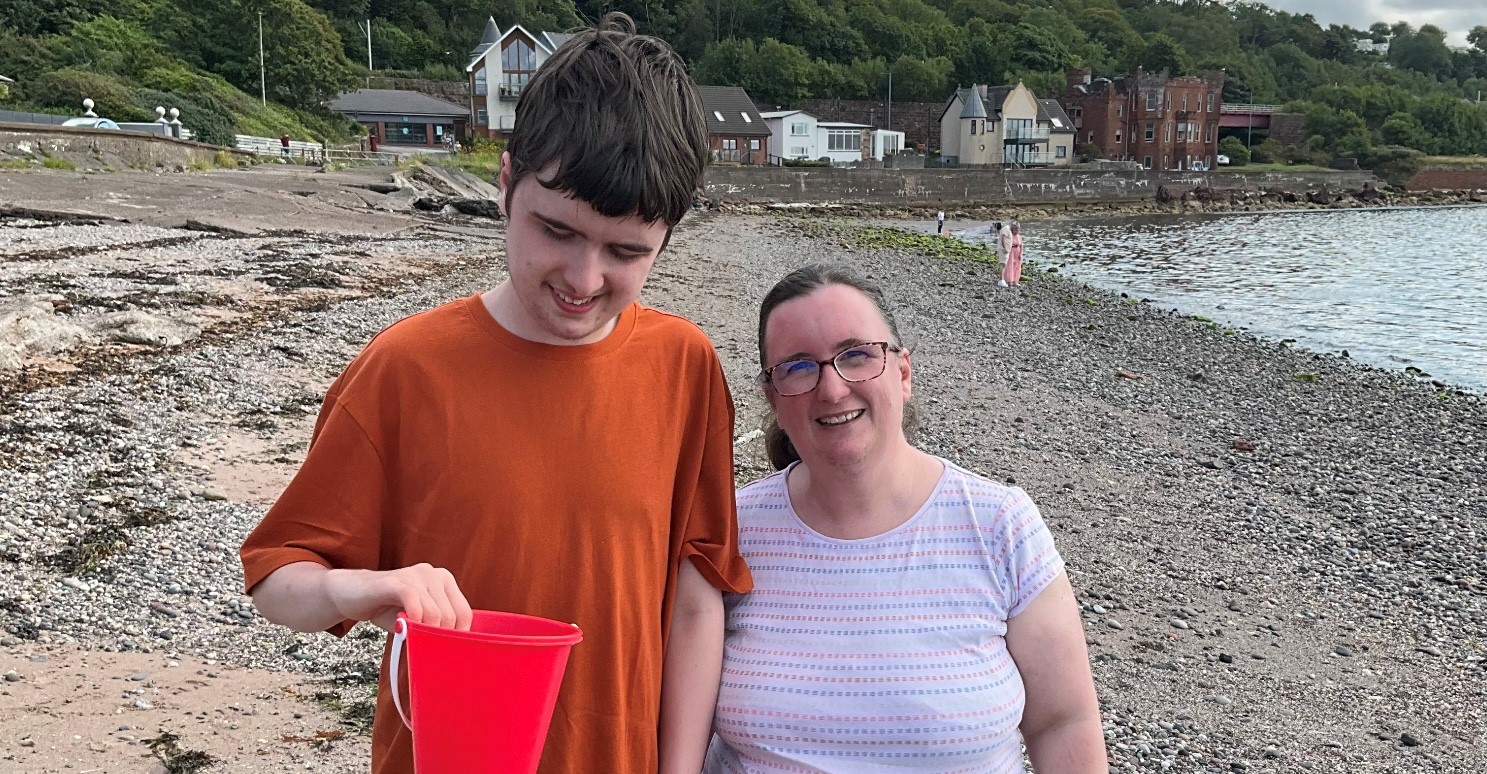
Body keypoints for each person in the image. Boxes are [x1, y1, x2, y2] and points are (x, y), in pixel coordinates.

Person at [240, 13, 751, 774]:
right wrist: (364, 587)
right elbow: (278, 579)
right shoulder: (405, 368)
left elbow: (693, 598)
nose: (583, 280)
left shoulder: (684, 366)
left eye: (625, 252)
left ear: (668, 235)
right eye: (556, 231)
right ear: (506, 181)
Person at [706, 264, 1104, 773]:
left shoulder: (999, 524)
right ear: (772, 398)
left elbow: (1063, 722)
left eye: (856, 355)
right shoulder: (731, 529)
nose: (831, 389)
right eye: (798, 367)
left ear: (903, 372)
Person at [1005, 220, 1025, 287]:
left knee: (1017, 266)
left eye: (1017, 229)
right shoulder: (1009, 236)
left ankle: (1015, 281)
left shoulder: (1019, 237)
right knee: (1010, 266)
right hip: (1011, 251)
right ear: (1012, 229)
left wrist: (1021, 254)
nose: (1016, 231)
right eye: (1015, 229)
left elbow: (1021, 245)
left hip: (1017, 251)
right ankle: (1009, 280)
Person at [996, 220, 1014, 287]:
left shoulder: (1008, 229)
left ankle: (1002, 279)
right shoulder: (1006, 228)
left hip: (1005, 249)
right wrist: (1005, 248)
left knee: (1004, 264)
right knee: (1003, 264)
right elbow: (1003, 238)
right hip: (1003, 249)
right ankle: (1001, 280)